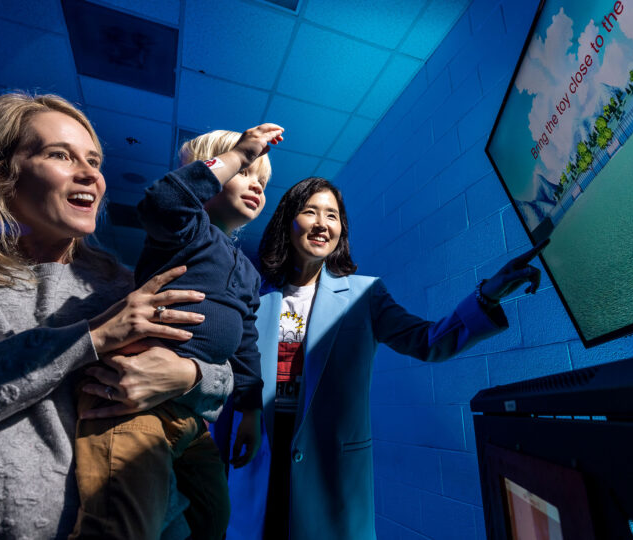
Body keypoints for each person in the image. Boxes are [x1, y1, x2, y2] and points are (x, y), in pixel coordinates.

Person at [216, 176, 546, 539]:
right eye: (310, 212)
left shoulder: (365, 294)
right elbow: (231, 382)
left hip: (330, 472)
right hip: (258, 460)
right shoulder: (253, 296)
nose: (322, 223)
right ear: (287, 221)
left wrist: (487, 297)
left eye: (333, 215)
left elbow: (428, 341)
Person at [0, 92, 232, 539]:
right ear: (1, 174)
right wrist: (94, 335)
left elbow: (220, 370)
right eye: (60, 154)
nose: (90, 175)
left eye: (94, 161)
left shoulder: (127, 282)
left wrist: (187, 375)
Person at [71, 125, 283, 539]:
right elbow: (162, 201)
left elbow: (246, 345)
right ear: (211, 173)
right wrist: (239, 153)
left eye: (262, 180)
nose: (255, 184)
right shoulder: (185, 231)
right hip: (132, 408)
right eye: (244, 171)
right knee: (123, 524)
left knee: (212, 520)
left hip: (192, 420)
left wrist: (252, 412)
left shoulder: (247, 271)